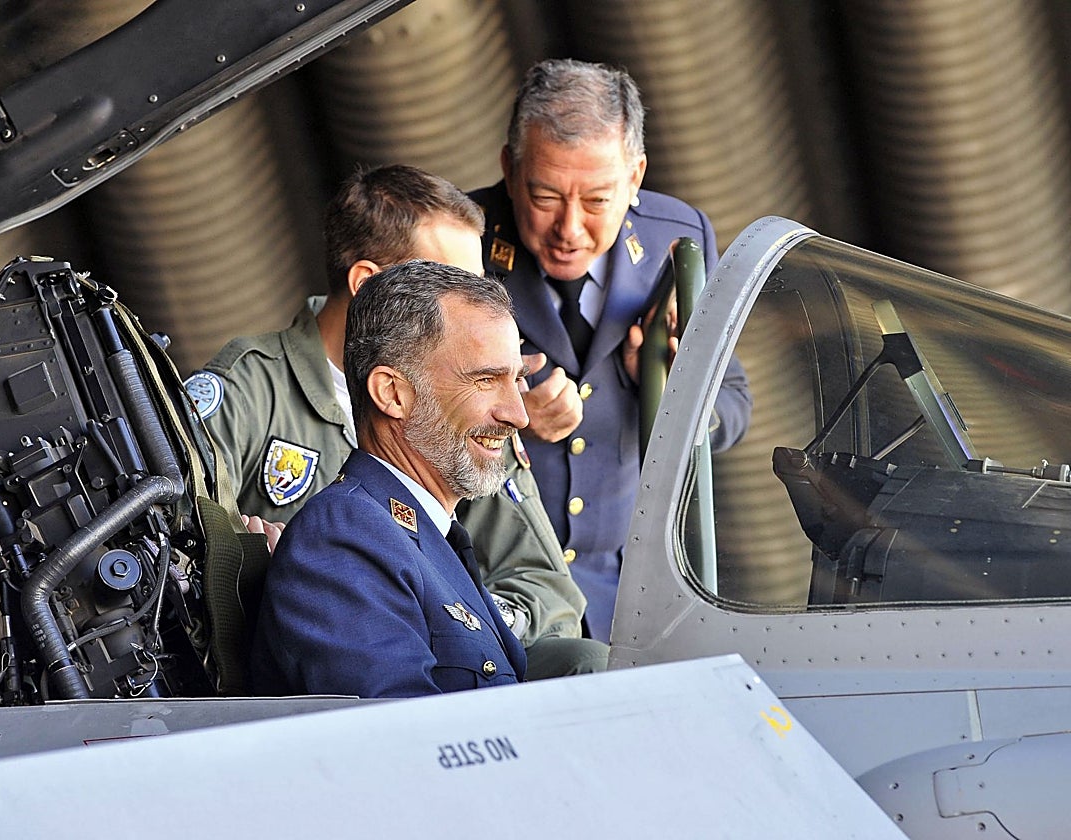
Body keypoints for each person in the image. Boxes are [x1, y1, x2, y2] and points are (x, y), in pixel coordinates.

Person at [186, 164, 607, 680]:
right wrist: (256, 565)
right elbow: (181, 559)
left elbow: (548, 588)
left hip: (456, 657)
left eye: (478, 283)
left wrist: (449, 614)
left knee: (590, 664)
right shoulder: (250, 388)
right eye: (447, 280)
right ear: (368, 284)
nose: (476, 304)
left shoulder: (476, 406)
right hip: (301, 671)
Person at [470, 58, 752, 639]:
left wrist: (674, 393)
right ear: (509, 169)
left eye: (597, 200)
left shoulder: (679, 239)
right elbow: (393, 424)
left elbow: (734, 405)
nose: (569, 229)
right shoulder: (456, 240)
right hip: (491, 592)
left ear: (635, 176)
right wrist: (504, 423)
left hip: (629, 599)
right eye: (545, 196)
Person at [247, 261, 529, 696]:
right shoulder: (343, 538)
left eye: (517, 380)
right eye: (486, 380)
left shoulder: (418, 531)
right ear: (393, 394)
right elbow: (397, 731)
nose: (518, 415)